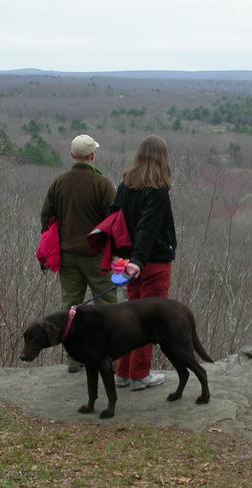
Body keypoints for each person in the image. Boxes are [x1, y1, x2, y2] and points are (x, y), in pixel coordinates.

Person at [40, 134, 117, 372]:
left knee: (70, 307)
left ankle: (75, 358)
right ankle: (109, 356)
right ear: (92, 155)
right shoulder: (102, 183)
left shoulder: (59, 183)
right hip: (96, 256)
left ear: (73, 156)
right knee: (106, 305)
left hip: (67, 255)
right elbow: (114, 220)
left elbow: (46, 216)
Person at [111, 135, 176, 390]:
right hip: (152, 263)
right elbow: (148, 228)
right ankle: (140, 375)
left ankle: (123, 372)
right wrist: (139, 259)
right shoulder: (158, 190)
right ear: (162, 158)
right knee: (149, 320)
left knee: (130, 317)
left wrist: (120, 255)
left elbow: (115, 219)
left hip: (128, 263)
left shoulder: (125, 184)